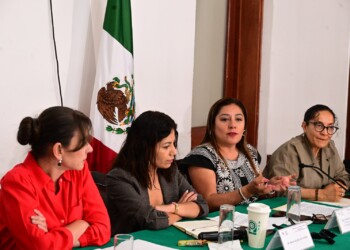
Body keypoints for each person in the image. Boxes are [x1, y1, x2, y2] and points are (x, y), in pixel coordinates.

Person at [0, 106, 111, 249]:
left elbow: (103, 227)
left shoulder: (79, 171)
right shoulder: (17, 182)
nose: (90, 149)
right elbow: (40, 247)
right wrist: (82, 224)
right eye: (83, 143)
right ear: (58, 150)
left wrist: (53, 235)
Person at [180, 97, 295, 211]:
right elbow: (207, 201)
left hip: (249, 217)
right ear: (212, 125)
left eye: (238, 119)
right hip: (217, 222)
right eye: (224, 119)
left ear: (244, 127)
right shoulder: (201, 157)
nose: (232, 125)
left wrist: (270, 186)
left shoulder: (250, 152)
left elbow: (256, 191)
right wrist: (246, 191)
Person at [106, 111, 209, 235]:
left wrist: (173, 208)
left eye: (173, 144)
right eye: (166, 146)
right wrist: (182, 211)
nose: (174, 152)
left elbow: (202, 205)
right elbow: (150, 220)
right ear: (145, 148)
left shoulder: (171, 171)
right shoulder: (119, 178)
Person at [263, 104, 349, 202]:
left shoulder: (330, 147)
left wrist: (336, 188)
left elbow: (343, 176)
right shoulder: (289, 151)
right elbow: (282, 190)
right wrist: (322, 194)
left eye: (330, 127)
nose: (325, 133)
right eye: (319, 125)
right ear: (304, 126)